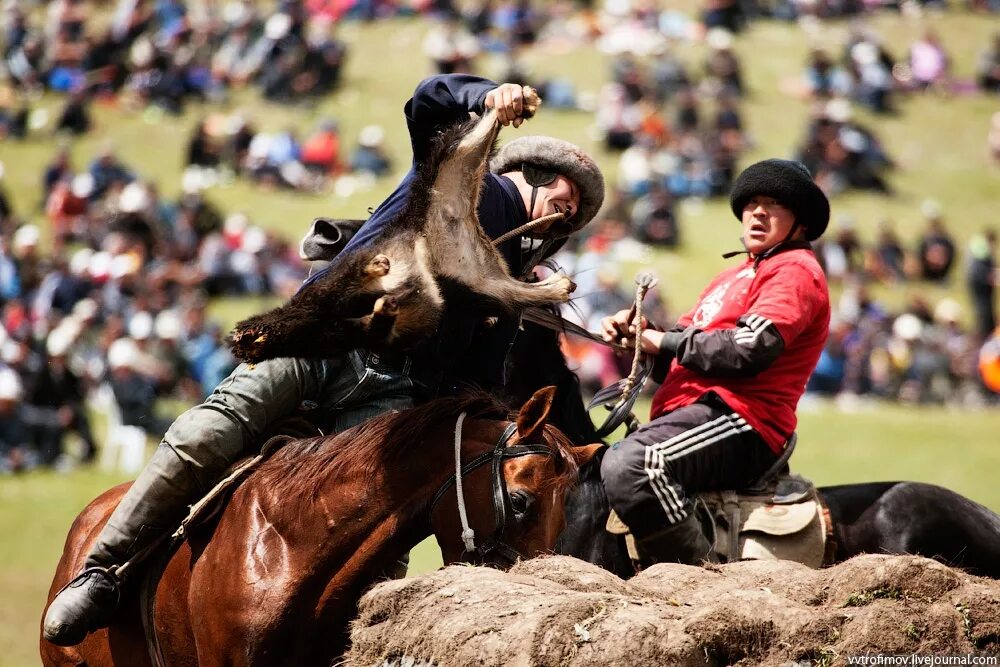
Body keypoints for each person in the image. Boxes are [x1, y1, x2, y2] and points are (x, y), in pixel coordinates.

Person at [42, 73, 605, 646]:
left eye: (578, 213)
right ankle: (103, 570)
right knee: (206, 434)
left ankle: (363, 646)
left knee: (381, 530)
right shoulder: (455, 183)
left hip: (393, 402)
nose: (569, 213)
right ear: (525, 175)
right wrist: (485, 96)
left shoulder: (511, 289)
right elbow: (429, 102)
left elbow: (477, 380)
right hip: (323, 344)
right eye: (566, 195)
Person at [598, 158, 831, 568]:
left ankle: (702, 583)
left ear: (802, 222)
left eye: (774, 203)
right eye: (752, 202)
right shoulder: (729, 278)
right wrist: (640, 338)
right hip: (698, 413)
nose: (758, 212)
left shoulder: (795, 270)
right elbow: (680, 360)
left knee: (634, 463)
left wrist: (661, 339)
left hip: (745, 420)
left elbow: (748, 348)